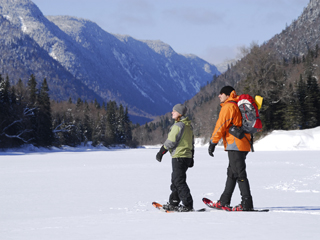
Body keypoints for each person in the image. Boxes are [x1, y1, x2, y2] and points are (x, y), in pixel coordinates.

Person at [208, 86, 254, 211]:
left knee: (239, 174)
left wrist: (213, 142)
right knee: (232, 174)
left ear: (228, 95)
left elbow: (221, 126)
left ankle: (247, 204)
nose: (219, 96)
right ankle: (224, 201)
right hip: (242, 143)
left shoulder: (229, 106)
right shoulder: (236, 104)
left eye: (221, 93)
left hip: (235, 145)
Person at [156, 103, 194, 212]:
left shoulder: (178, 126)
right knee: (176, 180)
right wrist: (192, 157)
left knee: (179, 181)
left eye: (174, 111)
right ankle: (174, 202)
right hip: (186, 156)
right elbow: (192, 143)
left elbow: (171, 141)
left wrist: (161, 151)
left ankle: (188, 204)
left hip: (179, 156)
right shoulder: (188, 126)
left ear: (180, 113)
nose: (172, 112)